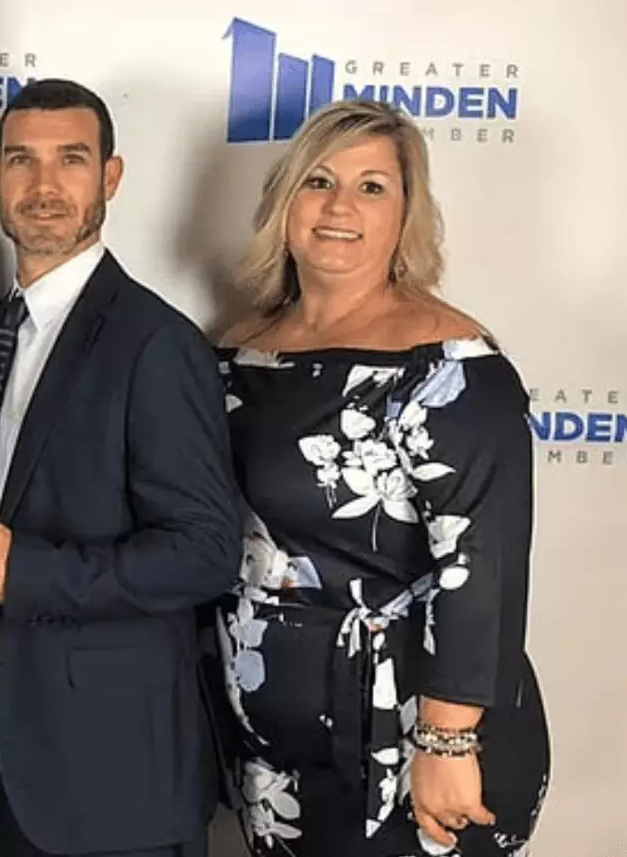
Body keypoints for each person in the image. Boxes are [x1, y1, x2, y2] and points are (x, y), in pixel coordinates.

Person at [211, 99, 551, 856]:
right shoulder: (236, 352)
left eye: (372, 187)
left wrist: (449, 744)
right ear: (285, 200)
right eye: (319, 181)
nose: (340, 207)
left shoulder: (453, 367)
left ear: (407, 214)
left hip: (407, 743)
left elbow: (483, 567)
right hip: (271, 744)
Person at [0, 78, 242, 857]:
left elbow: (204, 552)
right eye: (21, 160)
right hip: (18, 751)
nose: (44, 185)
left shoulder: (154, 343)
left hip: (118, 775)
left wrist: (22, 572)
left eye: (71, 159)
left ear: (112, 177)